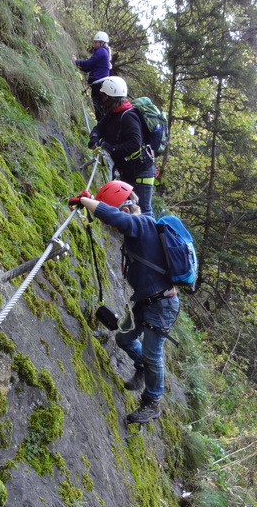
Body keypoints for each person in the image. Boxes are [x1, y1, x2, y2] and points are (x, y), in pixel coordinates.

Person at [68, 181, 180, 424]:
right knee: (123, 338)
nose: (112, 229)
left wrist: (85, 202)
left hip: (162, 306)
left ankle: (152, 402)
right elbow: (115, 217)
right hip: (144, 301)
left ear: (126, 210)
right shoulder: (142, 227)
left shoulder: (141, 223)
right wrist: (92, 203)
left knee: (153, 354)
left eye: (111, 223)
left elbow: (120, 220)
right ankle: (140, 366)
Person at [87, 77, 156, 219]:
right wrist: (94, 138)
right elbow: (99, 128)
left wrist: (111, 148)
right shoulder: (113, 113)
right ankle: (133, 239)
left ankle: (153, 239)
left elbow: (135, 143)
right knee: (130, 208)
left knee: (144, 211)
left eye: (104, 95)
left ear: (111, 97)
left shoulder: (128, 117)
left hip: (142, 171)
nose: (102, 98)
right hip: (128, 170)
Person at [73, 31, 112, 121]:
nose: (94, 44)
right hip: (100, 84)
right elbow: (88, 68)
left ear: (101, 43)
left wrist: (76, 61)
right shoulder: (103, 52)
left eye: (96, 42)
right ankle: (103, 130)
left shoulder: (101, 51)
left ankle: (102, 131)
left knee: (99, 110)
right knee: (101, 109)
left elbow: (88, 64)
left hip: (99, 84)